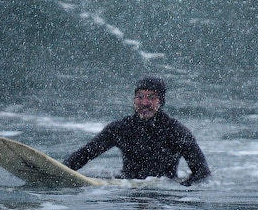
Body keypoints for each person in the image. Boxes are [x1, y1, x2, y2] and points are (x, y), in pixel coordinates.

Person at [62, 76, 211, 186]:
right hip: (126, 188)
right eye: (139, 97)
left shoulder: (176, 132)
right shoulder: (121, 128)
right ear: (134, 100)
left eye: (151, 98)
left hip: (163, 194)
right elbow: (86, 153)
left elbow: (202, 172)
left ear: (160, 102)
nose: (144, 103)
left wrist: (181, 187)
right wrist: (61, 170)